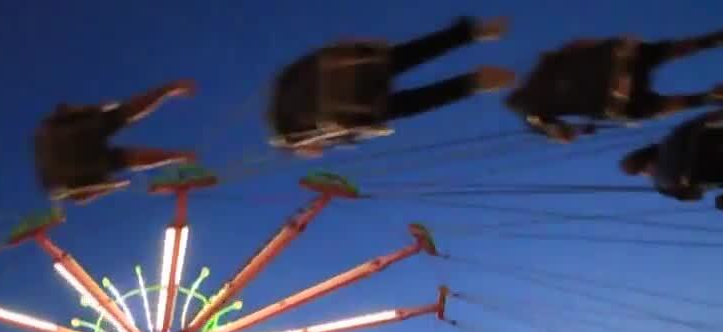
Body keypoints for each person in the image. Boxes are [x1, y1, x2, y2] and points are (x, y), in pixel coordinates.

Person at [267, 17, 514, 157]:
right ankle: (469, 34)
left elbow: (302, 142)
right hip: (348, 71)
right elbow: (305, 65)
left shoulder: (291, 134)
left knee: (410, 103)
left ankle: (473, 82)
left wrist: (305, 144)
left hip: (346, 105)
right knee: (406, 57)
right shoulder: (283, 98)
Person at [507, 31, 723, 143]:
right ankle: (713, 40)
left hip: (615, 99)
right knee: (670, 50)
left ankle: (707, 98)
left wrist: (580, 129)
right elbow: (577, 44)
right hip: (617, 58)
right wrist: (613, 47)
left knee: (653, 108)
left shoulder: (532, 116)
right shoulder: (544, 64)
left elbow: (564, 135)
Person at [34, 81, 198, 205]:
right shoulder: (48, 134)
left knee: (128, 156)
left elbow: (80, 196)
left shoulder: (56, 178)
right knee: (126, 115)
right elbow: (80, 196)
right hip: (65, 147)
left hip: (68, 162)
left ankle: (181, 155)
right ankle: (169, 90)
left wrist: (111, 186)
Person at [621, 111, 723, 210]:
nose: (645, 175)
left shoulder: (664, 182)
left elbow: (695, 196)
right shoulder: (671, 140)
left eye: (642, 172)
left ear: (647, 165)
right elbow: (701, 121)